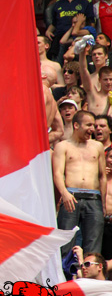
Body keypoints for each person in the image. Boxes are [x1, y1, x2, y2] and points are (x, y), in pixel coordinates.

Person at [53, 110, 106, 259]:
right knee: (65, 243)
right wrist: (64, 193)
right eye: (88, 125)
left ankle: (90, 272)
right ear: (76, 125)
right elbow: (58, 174)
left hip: (93, 197)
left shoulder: (97, 146)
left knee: (93, 245)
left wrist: (102, 202)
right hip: (71, 196)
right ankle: (66, 272)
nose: (92, 129)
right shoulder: (63, 146)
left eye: (93, 125)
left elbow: (102, 176)